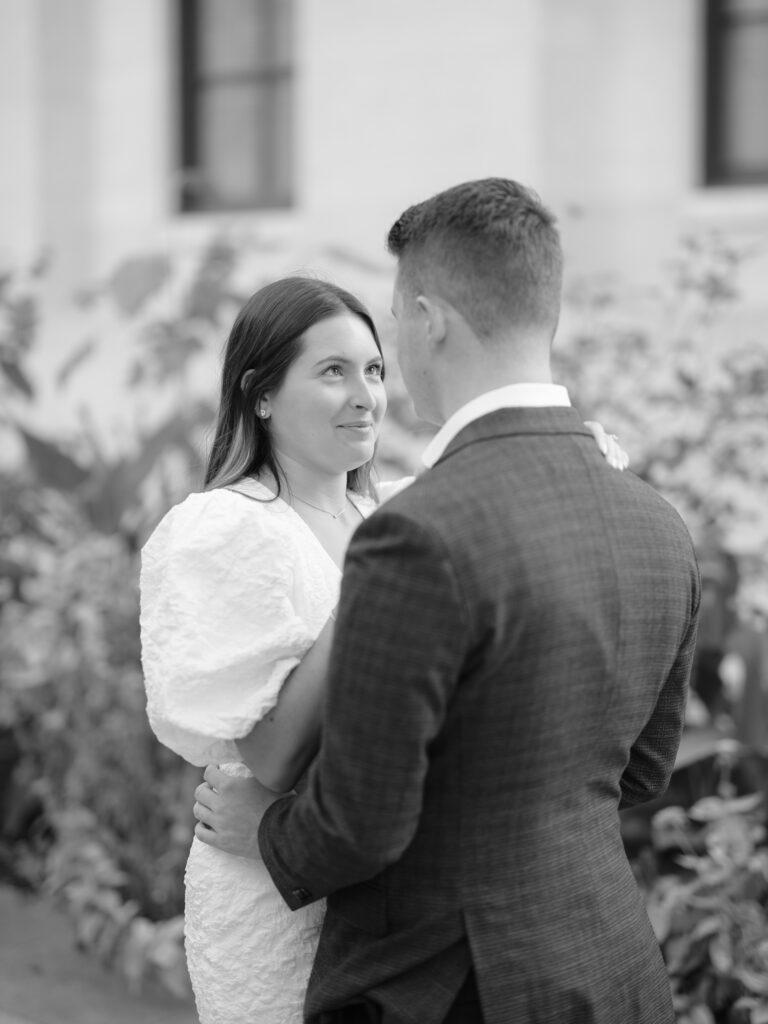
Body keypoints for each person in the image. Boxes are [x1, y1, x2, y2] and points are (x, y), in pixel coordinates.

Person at [190, 179, 700, 1024]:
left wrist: (267, 833)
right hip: (609, 968)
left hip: (451, 989)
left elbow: (361, 824)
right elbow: (641, 769)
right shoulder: (657, 521)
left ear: (429, 318)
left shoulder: (418, 531)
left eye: (394, 321)